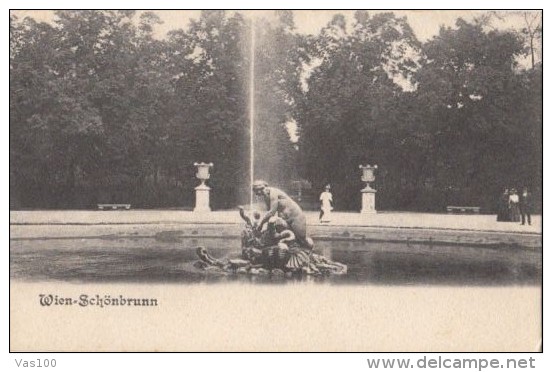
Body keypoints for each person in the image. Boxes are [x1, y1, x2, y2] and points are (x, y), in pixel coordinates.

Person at [252, 180, 314, 250]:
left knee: (302, 240)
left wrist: (261, 224)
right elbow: (270, 214)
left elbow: (272, 212)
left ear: (260, 189)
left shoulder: (273, 193)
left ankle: (308, 252)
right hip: (285, 219)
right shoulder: (266, 196)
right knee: (284, 236)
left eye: (257, 191)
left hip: (296, 217)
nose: (257, 194)